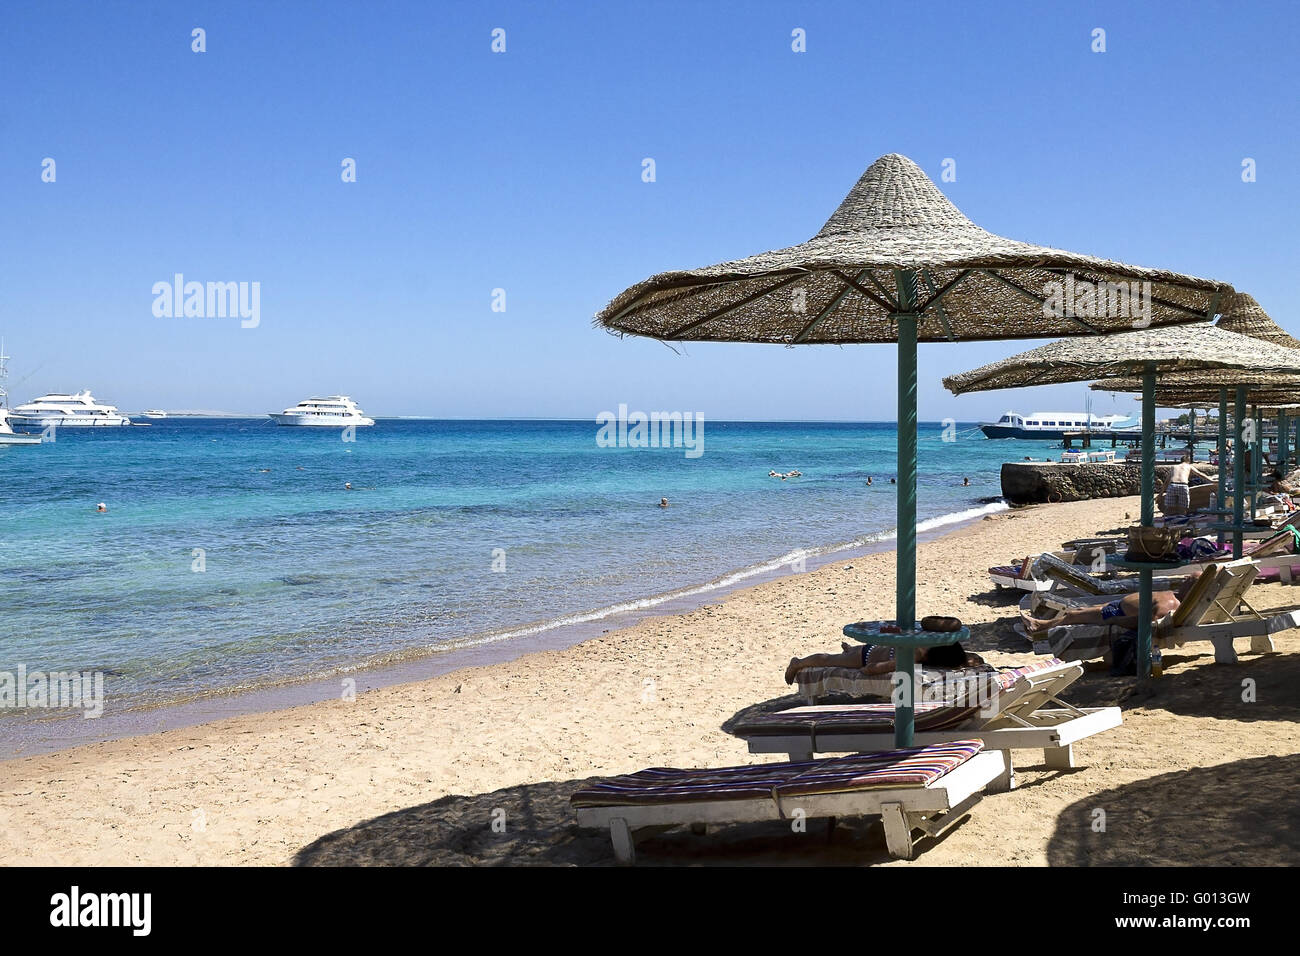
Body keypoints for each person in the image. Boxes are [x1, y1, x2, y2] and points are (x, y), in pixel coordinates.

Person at [1022, 573, 1200, 634]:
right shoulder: (1175, 595)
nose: (1184, 578)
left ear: (1192, 589)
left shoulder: (1171, 603)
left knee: (1072, 615)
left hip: (1118, 614)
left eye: (1188, 579)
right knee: (1080, 610)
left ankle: (1039, 626)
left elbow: (1150, 619)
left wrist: (1116, 621)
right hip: (1117, 606)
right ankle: (1040, 624)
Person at [785, 640, 983, 684]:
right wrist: (866, 670)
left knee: (849, 653)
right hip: (865, 657)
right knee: (828, 660)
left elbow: (967, 659)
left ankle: (850, 649)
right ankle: (797, 663)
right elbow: (872, 669)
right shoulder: (913, 657)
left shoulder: (923, 642)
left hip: (876, 647)